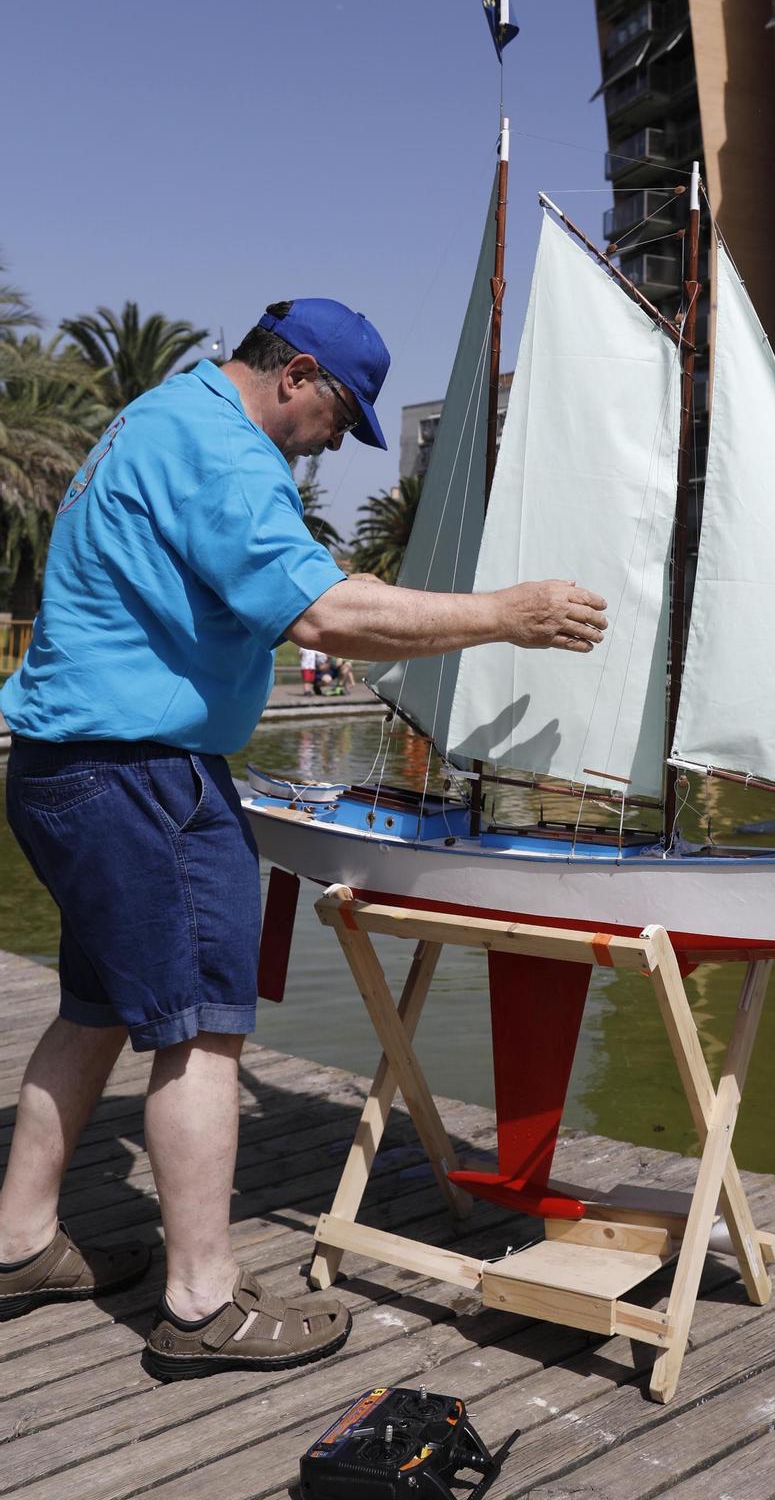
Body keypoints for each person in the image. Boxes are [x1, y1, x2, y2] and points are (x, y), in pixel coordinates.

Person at [0, 297, 606, 1377]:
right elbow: (321, 612)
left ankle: (20, 1242)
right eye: (342, 416)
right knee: (199, 1029)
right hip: (141, 773)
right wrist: (506, 611)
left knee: (96, 1008)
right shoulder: (223, 451)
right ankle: (200, 1305)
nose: (337, 441)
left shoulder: (156, 414)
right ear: (299, 376)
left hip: (62, 766)